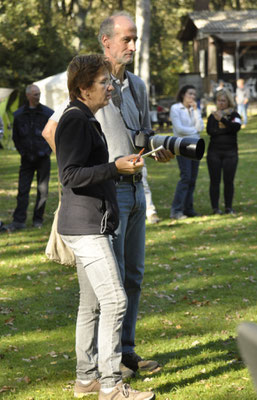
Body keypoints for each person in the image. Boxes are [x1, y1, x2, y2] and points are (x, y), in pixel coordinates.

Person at [43, 11, 173, 382]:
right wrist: (81, 179)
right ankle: (102, 366)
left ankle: (124, 353)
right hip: (102, 196)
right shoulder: (87, 82)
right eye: (126, 39)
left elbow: (144, 134)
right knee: (105, 289)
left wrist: (156, 149)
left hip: (134, 189)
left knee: (132, 277)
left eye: (135, 39)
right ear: (106, 42)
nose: (132, 46)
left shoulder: (138, 86)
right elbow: (53, 133)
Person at [55, 53, 155, 400]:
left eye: (109, 81)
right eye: (102, 82)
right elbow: (71, 175)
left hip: (89, 223)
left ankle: (86, 380)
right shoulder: (75, 120)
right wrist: (115, 168)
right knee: (115, 300)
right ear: (83, 88)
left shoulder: (85, 116)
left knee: (93, 304)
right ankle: (111, 386)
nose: (110, 86)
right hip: (85, 228)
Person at [3, 85, 53, 232]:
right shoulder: (18, 115)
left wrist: (47, 151)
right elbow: (16, 137)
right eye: (35, 94)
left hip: (43, 158)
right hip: (26, 159)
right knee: (22, 190)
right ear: (28, 96)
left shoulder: (47, 113)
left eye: (39, 94)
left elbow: (53, 133)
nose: (38, 96)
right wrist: (23, 152)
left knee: (43, 190)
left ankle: (38, 219)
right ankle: (19, 220)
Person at [169, 85, 204, 220]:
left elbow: (200, 126)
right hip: (182, 146)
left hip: (196, 146)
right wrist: (194, 131)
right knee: (186, 178)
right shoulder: (176, 108)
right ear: (183, 94)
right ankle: (176, 210)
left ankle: (188, 209)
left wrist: (196, 111)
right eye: (190, 94)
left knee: (192, 179)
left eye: (194, 94)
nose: (192, 97)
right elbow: (179, 129)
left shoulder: (194, 109)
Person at [206, 89, 241, 215]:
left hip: (230, 153)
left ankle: (228, 207)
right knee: (214, 181)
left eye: (223, 101)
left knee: (228, 181)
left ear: (228, 102)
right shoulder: (212, 116)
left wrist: (222, 120)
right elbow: (210, 131)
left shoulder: (234, 115)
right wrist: (227, 129)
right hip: (214, 153)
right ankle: (215, 208)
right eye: (219, 100)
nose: (221, 103)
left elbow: (236, 128)